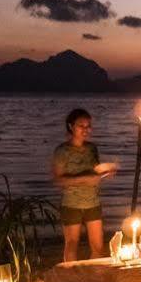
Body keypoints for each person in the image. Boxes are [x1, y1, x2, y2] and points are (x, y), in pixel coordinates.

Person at [52, 108, 116, 262]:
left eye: (88, 126)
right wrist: (84, 179)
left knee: (98, 247)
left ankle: (94, 277)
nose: (86, 130)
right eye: (81, 126)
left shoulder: (92, 148)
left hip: (93, 202)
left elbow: (94, 171)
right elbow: (59, 180)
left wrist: (105, 172)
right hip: (71, 204)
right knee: (72, 244)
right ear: (71, 126)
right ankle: (70, 279)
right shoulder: (62, 151)